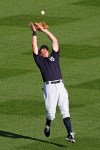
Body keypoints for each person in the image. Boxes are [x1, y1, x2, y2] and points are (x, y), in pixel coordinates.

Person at [29, 22, 75, 143]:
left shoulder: (55, 56)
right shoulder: (39, 60)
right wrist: (34, 32)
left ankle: (70, 134)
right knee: (51, 113)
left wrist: (44, 30)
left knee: (65, 110)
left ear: (47, 51)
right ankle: (48, 124)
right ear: (40, 53)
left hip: (60, 85)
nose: (42, 50)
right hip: (49, 88)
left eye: (44, 49)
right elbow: (34, 46)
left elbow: (54, 41)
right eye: (41, 50)